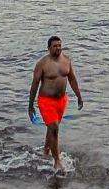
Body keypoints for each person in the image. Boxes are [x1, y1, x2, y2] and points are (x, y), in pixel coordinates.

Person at [28, 35, 84, 173]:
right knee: (54, 127)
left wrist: (79, 96)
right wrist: (30, 105)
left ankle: (46, 152)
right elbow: (35, 84)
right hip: (46, 101)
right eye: (55, 46)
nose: (58, 48)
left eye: (60, 45)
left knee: (52, 128)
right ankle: (57, 160)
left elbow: (72, 80)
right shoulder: (42, 64)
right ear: (48, 48)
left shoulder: (66, 60)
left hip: (61, 101)